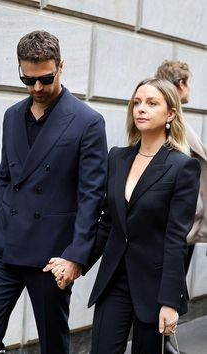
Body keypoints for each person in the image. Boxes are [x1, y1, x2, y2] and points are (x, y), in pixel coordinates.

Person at [0, 30, 107, 354]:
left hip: (52, 255)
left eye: (45, 78)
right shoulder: (11, 116)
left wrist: (76, 256)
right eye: (28, 79)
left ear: (61, 66)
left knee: (53, 345)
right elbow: (5, 177)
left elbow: (92, 197)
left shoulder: (87, 122)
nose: (36, 88)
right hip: (3, 243)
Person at [86, 78, 200, 354]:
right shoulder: (117, 158)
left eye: (151, 103)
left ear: (170, 113)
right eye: (137, 102)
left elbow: (176, 240)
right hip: (113, 280)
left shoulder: (182, 167)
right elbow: (108, 222)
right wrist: (76, 262)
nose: (141, 109)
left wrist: (170, 301)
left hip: (154, 287)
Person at [155, 60, 207, 354]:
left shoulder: (180, 121)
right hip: (177, 225)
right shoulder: (171, 124)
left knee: (173, 285)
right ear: (180, 85)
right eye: (187, 82)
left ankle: (163, 343)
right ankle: (162, 345)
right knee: (169, 285)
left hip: (187, 223)